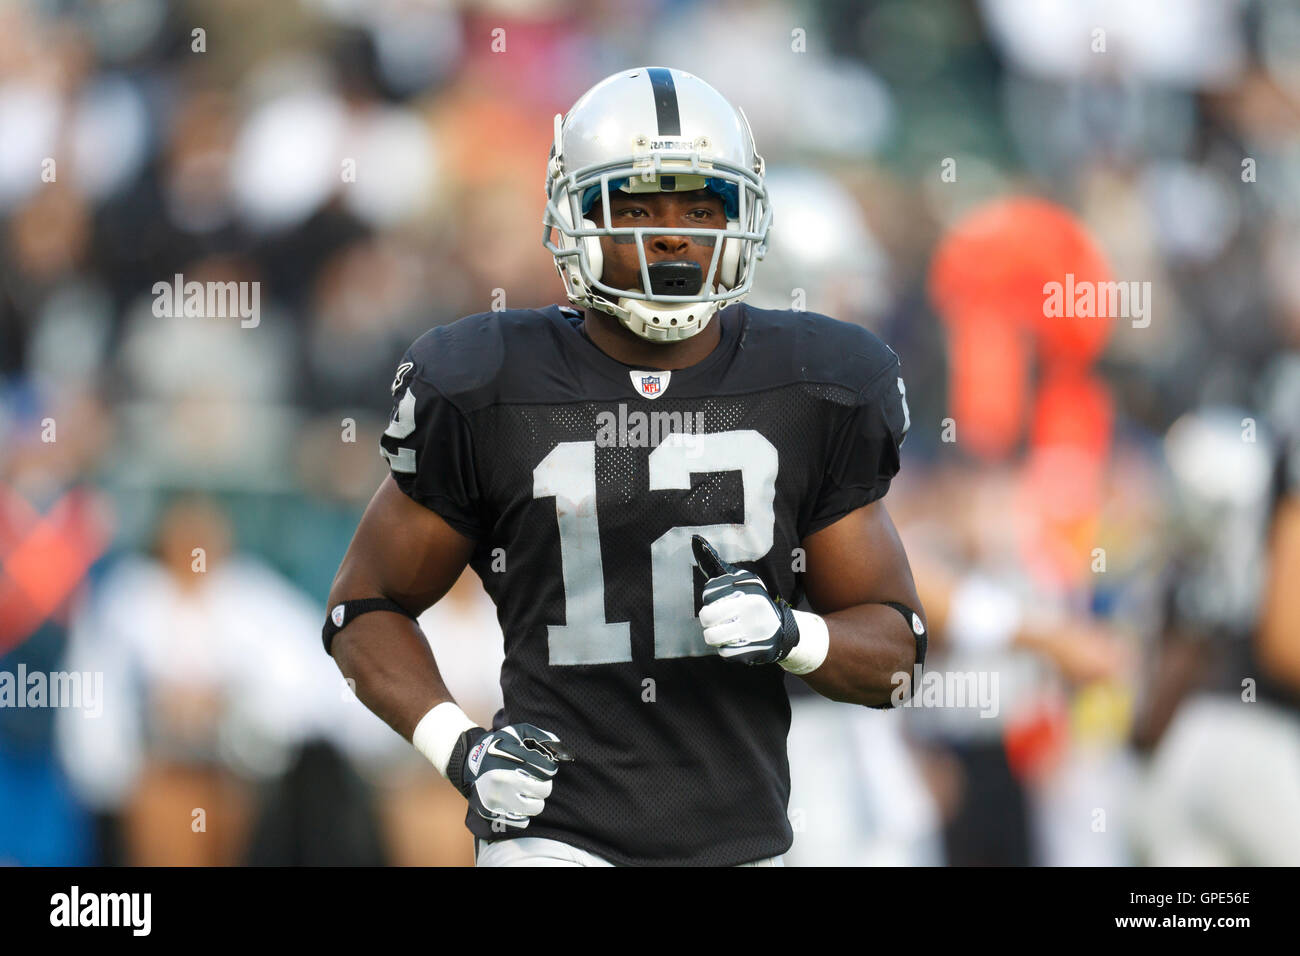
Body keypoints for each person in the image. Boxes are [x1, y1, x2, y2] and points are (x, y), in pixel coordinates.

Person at [323, 67, 926, 867]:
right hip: (554, 837)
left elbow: (894, 655)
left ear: (744, 213)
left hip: (745, 840)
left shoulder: (818, 382)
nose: (670, 234)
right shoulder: (484, 381)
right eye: (635, 205)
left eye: (698, 205)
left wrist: (793, 633)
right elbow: (363, 608)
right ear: (574, 213)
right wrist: (460, 747)